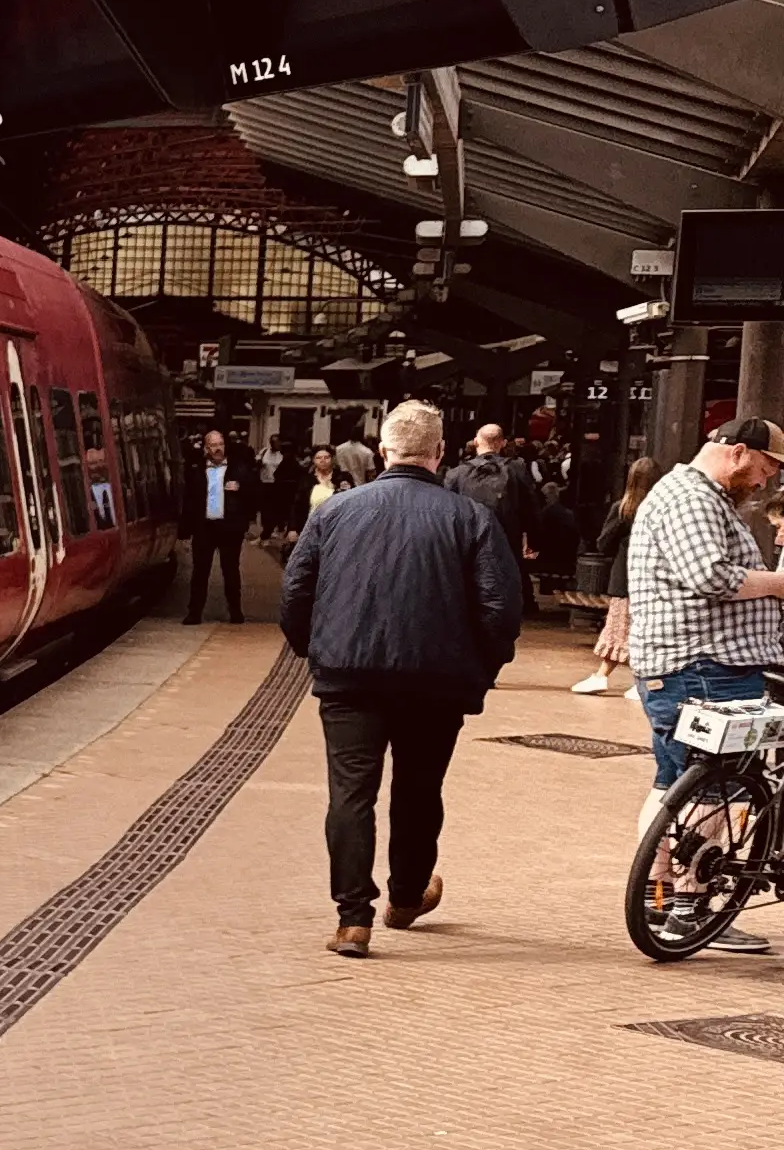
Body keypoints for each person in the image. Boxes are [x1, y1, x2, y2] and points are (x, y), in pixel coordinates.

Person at [280, 398, 526, 957]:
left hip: (348, 678)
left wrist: (318, 653)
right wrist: (479, 671)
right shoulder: (471, 519)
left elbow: (295, 595)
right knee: (419, 790)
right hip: (436, 682)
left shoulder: (335, 512)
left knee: (350, 794)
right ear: (439, 453)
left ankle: (352, 919)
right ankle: (407, 896)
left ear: (384, 449)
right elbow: (501, 611)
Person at [623, 419, 784, 884]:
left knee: (673, 783)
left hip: (691, 665)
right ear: (737, 452)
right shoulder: (691, 498)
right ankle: (691, 904)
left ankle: (658, 895)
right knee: (719, 790)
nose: (764, 481)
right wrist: (779, 585)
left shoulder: (699, 496)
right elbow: (710, 576)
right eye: (765, 467)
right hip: (706, 667)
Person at [575, 457, 662, 697]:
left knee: (618, 628)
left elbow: (604, 544)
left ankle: (605, 677)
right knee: (643, 630)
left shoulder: (624, 509)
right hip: (653, 580)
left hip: (624, 579)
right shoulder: (662, 510)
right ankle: (623, 679)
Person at [451, 421, 543, 609]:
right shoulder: (516, 469)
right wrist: (533, 539)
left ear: (476, 441)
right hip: (507, 534)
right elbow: (530, 507)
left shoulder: (457, 474)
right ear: (502, 443)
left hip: (468, 535)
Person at [182, 429, 254, 623]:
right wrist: (186, 529)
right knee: (200, 571)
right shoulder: (196, 470)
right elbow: (189, 500)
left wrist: (240, 490)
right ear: (206, 448)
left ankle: (235, 611)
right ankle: (194, 612)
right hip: (204, 528)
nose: (218, 448)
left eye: (220, 444)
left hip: (230, 529)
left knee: (230, 571)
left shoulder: (238, 469)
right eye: (213, 445)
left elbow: (254, 495)